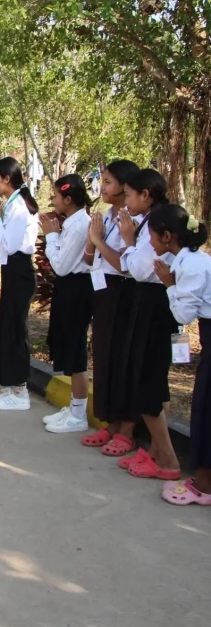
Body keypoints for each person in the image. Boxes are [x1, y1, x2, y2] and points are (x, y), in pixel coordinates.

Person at [113, 169, 180, 479]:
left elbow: (139, 269)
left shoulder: (158, 224)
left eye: (129, 194)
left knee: (149, 385)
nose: (125, 200)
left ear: (145, 195)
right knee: (153, 384)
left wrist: (129, 242)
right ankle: (155, 451)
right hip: (148, 303)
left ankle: (168, 460)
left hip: (155, 306)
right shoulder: (149, 221)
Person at [149, 205, 211, 505]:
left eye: (152, 235)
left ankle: (204, 486)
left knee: (206, 408)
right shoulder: (191, 259)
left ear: (167, 236)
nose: (150, 242)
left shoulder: (191, 266)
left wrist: (170, 286)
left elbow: (184, 314)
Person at [81, 160, 141, 453]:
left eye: (107, 182)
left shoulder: (133, 220)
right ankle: (111, 423)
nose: (101, 187)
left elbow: (125, 265)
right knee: (104, 355)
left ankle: (126, 429)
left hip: (124, 292)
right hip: (103, 290)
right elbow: (90, 259)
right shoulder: (106, 215)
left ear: (125, 186)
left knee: (123, 358)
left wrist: (98, 241)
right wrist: (92, 241)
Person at [0, 157, 39, 411]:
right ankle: (11, 386)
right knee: (8, 326)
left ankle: (19, 391)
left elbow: (11, 245)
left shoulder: (18, 207)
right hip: (13, 269)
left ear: (7, 179)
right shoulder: (13, 203)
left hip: (19, 268)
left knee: (15, 329)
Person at [40, 174, 94, 433]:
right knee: (67, 345)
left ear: (69, 199)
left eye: (56, 196)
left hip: (76, 288)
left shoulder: (80, 225)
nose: (53, 200)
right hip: (68, 288)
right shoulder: (73, 222)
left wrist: (51, 236)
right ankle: (73, 407)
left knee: (75, 350)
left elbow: (61, 266)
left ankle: (78, 414)